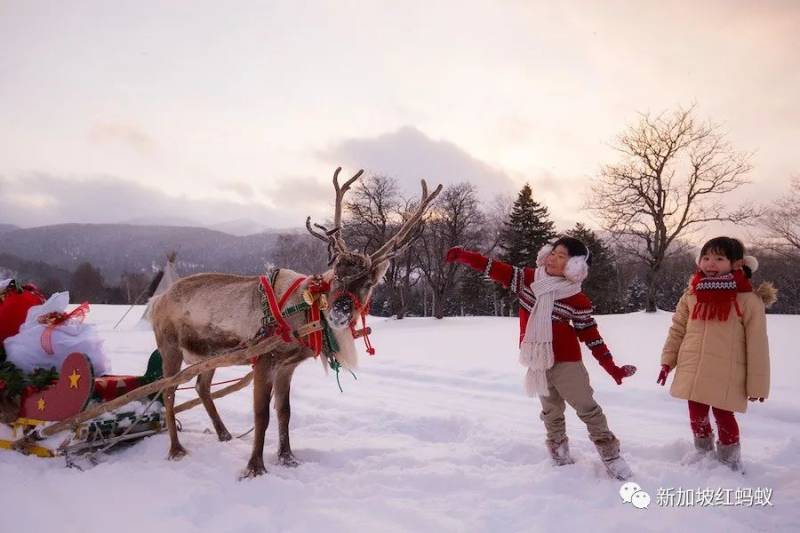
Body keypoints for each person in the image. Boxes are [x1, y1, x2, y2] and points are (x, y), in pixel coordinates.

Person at [446, 237, 636, 479]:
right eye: (553, 253)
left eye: (562, 257)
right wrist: (464, 256)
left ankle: (610, 454)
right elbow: (494, 267)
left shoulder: (577, 299)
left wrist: (613, 368)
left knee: (588, 409)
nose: (553, 259)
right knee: (551, 411)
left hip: (567, 363)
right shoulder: (528, 280)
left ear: (575, 266)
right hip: (538, 361)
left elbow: (592, 337)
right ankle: (559, 452)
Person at [658, 237, 776, 472]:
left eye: (719, 258)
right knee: (696, 414)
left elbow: (757, 344)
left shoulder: (748, 300)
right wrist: (667, 362)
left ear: (736, 263)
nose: (711, 263)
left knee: (724, 416)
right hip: (693, 368)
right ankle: (702, 453)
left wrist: (758, 386)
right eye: (706, 257)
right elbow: (678, 330)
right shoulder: (691, 295)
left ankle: (730, 460)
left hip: (727, 372)